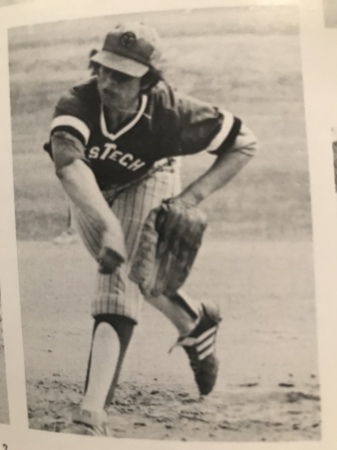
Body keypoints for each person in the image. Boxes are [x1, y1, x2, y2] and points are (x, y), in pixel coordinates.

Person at [44, 22, 258, 436]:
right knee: (133, 270)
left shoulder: (172, 112)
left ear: (148, 81)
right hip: (93, 190)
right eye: (104, 69)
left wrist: (189, 199)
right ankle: (195, 323)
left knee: (117, 278)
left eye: (124, 75)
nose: (109, 81)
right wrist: (108, 226)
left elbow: (244, 141)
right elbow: (70, 166)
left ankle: (91, 415)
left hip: (152, 177)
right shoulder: (77, 102)